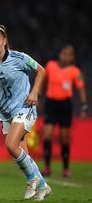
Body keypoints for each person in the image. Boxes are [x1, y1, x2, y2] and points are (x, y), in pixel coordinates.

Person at [0, 25, 51, 201]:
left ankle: (31, 179)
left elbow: (41, 70)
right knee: (21, 152)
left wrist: (34, 92)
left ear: (4, 41)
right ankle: (43, 186)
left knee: (11, 145)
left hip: (25, 107)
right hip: (5, 112)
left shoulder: (20, 58)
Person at [42, 45, 88, 178]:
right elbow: (43, 81)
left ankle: (66, 168)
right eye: (63, 53)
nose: (65, 56)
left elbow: (81, 89)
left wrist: (84, 106)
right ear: (60, 54)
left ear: (72, 57)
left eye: (68, 54)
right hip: (51, 103)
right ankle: (46, 167)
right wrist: (37, 95)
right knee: (48, 134)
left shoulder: (75, 71)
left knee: (64, 137)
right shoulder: (50, 66)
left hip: (65, 105)